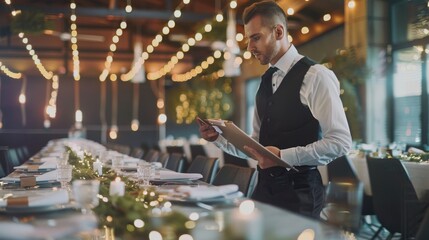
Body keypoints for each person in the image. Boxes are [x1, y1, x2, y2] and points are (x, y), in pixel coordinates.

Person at [197, 0, 352, 219]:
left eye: (256, 38)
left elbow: (340, 142)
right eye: (248, 39)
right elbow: (256, 147)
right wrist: (219, 139)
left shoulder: (316, 76)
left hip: (301, 197)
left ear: (278, 31)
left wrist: (283, 156)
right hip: (264, 192)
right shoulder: (264, 81)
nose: (250, 47)